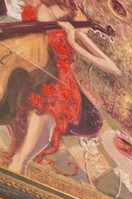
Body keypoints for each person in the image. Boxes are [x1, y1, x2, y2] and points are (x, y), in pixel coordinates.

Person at [0, 2, 119, 175]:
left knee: (44, 101)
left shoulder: (73, 24)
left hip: (60, 77)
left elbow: (113, 68)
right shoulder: (36, 4)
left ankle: (20, 162)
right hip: (33, 62)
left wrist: (73, 40)